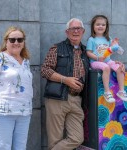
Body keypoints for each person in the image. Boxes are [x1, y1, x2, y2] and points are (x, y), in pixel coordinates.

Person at [0, 26, 33, 150]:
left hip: (24, 113)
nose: (16, 43)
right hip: (3, 113)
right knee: (4, 147)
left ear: (24, 42)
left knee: (20, 147)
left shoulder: (25, 61)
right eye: (12, 40)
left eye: (20, 39)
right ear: (6, 42)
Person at [41, 18, 89, 150]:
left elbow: (99, 63)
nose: (76, 31)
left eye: (79, 28)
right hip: (57, 99)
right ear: (67, 32)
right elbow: (45, 70)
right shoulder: (57, 48)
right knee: (55, 139)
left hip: (76, 100)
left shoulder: (86, 52)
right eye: (72, 29)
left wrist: (116, 65)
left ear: (83, 32)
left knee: (77, 138)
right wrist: (65, 79)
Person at [86, 14, 127, 103]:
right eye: (98, 24)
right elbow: (88, 53)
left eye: (103, 25)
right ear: (93, 26)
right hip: (95, 62)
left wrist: (115, 46)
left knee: (119, 67)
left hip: (107, 60)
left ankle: (121, 91)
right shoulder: (91, 39)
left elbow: (112, 49)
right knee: (106, 67)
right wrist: (97, 57)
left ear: (106, 27)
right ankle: (107, 92)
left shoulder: (108, 39)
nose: (100, 26)